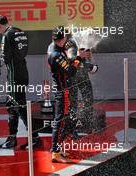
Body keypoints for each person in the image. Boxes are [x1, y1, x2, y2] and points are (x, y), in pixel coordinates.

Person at [0, 15, 41, 149]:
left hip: (14, 76)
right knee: (12, 105)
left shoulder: (7, 35)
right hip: (23, 72)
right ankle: (12, 138)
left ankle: (35, 138)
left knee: (20, 107)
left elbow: (5, 58)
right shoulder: (20, 32)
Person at [48, 26, 83, 163]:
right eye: (64, 39)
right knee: (60, 121)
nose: (66, 41)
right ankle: (55, 152)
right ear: (61, 39)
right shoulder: (56, 55)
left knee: (63, 120)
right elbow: (71, 71)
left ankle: (58, 148)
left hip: (63, 89)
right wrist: (78, 58)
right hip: (61, 91)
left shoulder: (57, 48)